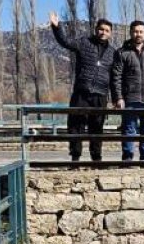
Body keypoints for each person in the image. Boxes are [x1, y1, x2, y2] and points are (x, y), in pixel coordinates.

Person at [49, 11, 119, 163]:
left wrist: (116, 98)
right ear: (96, 30)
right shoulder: (84, 43)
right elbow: (65, 41)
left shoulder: (113, 53)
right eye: (101, 29)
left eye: (107, 30)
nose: (103, 33)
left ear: (111, 33)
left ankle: (96, 159)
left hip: (100, 95)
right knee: (76, 125)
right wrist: (56, 27)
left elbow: (115, 78)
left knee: (97, 128)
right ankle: (75, 158)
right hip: (82, 92)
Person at [112, 20, 144, 162]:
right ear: (131, 33)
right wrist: (118, 97)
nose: (138, 34)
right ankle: (127, 159)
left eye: (141, 31)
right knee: (129, 131)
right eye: (135, 31)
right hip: (130, 99)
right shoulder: (122, 52)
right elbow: (116, 77)